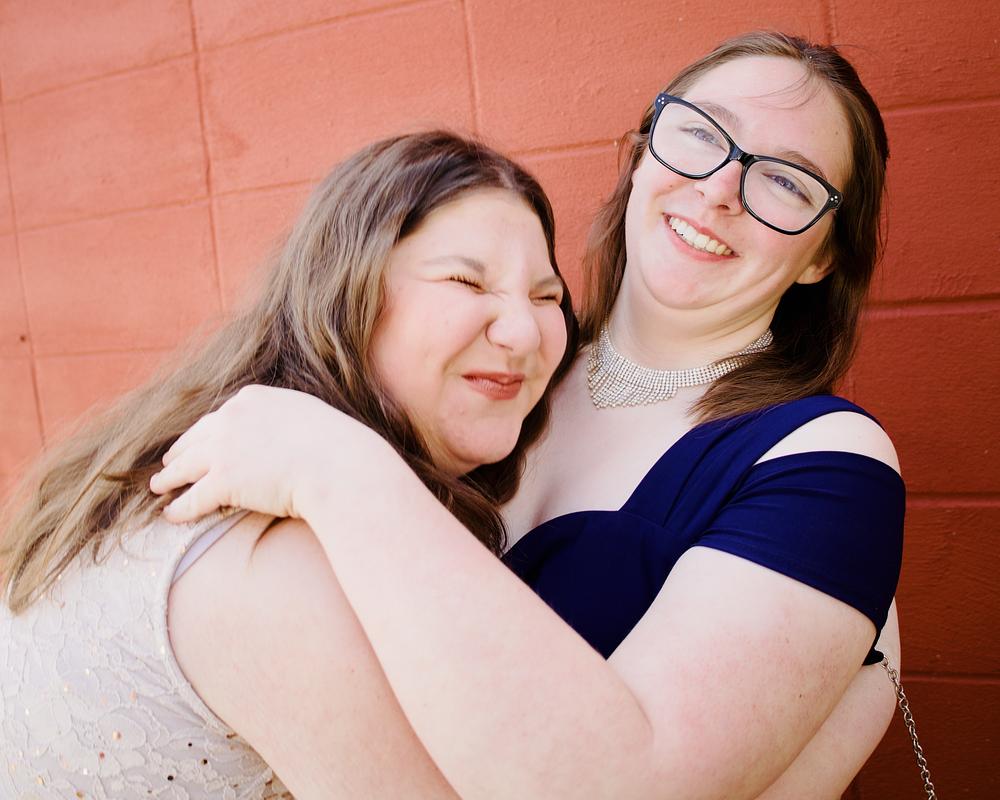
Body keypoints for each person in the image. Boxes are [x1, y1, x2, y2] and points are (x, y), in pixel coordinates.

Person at [150, 31, 905, 799]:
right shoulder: (500, 367)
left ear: (824, 257)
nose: (720, 189)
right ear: (642, 154)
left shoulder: (828, 462)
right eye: (702, 134)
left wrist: (338, 470)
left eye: (786, 182)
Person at [0, 131, 576, 797]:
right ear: (347, 292)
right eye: (466, 281)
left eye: (546, 296)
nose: (524, 332)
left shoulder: (216, 452)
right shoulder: (276, 565)